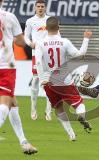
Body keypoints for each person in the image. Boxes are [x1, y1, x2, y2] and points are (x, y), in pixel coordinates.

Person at [35, 16, 93, 141]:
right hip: (65, 79)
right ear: (58, 27)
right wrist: (86, 39)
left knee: (58, 107)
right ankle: (81, 115)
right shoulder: (64, 42)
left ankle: (71, 135)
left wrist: (41, 79)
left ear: (46, 28)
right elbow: (80, 55)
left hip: (48, 81)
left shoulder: (39, 43)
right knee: (78, 102)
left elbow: (38, 63)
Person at [0, 0, 37, 154]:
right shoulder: (9, 16)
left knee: (13, 103)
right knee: (6, 103)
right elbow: (21, 42)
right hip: (5, 66)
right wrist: (27, 40)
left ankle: (24, 142)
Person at [24, 0, 52, 121]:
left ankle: (48, 112)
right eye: (38, 6)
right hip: (36, 53)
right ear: (35, 8)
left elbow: (57, 34)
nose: (40, 8)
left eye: (42, 6)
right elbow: (25, 36)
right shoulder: (30, 21)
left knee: (49, 81)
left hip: (49, 54)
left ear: (45, 8)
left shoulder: (51, 20)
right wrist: (30, 44)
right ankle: (33, 109)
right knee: (36, 78)